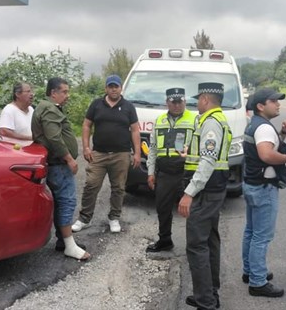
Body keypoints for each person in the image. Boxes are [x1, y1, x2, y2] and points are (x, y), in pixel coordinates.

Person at [241, 88, 286, 298]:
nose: (278, 104)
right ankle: (258, 282)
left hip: (252, 183)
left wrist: (283, 134)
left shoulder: (256, 125)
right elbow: (266, 154)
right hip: (263, 187)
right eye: (274, 101)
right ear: (260, 106)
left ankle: (250, 271)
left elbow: (268, 148)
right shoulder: (264, 128)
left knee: (251, 231)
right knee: (261, 236)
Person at [179, 82, 232, 310]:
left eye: (198, 99)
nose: (197, 103)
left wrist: (189, 193)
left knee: (197, 245)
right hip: (214, 189)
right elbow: (207, 155)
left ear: (205, 99)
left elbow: (209, 160)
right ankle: (210, 293)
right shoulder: (217, 120)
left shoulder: (211, 122)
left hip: (205, 192)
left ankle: (206, 301)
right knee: (210, 240)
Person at [72, 74, 141, 233]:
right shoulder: (97, 104)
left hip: (121, 154)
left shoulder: (128, 106)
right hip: (99, 154)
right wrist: (86, 147)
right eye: (110, 86)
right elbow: (86, 125)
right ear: (106, 88)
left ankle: (114, 218)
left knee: (118, 188)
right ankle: (84, 218)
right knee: (91, 185)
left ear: (121, 88)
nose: (113, 89)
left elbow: (135, 129)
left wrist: (137, 153)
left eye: (116, 86)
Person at [31, 77, 89, 260]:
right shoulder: (49, 108)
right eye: (64, 91)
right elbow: (54, 138)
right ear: (53, 93)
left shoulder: (48, 107)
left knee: (61, 202)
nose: (67, 95)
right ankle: (69, 245)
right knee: (66, 202)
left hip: (57, 164)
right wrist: (69, 159)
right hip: (59, 165)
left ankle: (63, 241)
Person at [145, 88, 196, 253]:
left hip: (186, 172)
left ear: (185, 101)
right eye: (173, 102)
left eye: (180, 101)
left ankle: (195, 245)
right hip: (165, 173)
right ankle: (165, 240)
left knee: (192, 210)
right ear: (167, 102)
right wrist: (151, 173)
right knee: (163, 209)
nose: (177, 105)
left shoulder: (195, 119)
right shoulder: (159, 120)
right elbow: (152, 149)